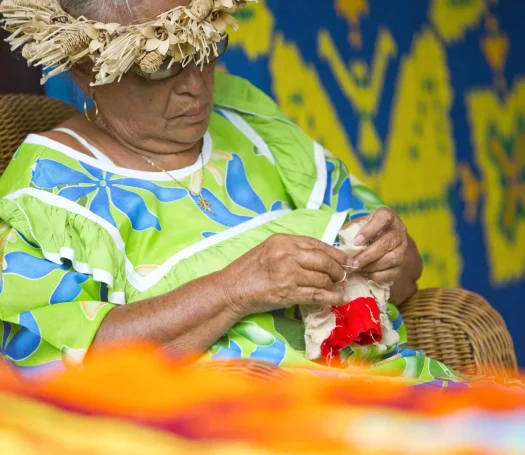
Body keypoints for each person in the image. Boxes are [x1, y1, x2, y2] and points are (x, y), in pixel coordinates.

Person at [0, 0, 456, 383]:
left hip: (386, 393)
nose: (196, 87)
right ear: (86, 69)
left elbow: (408, 276)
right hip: (234, 430)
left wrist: (387, 252)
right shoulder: (45, 189)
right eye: (162, 67)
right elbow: (55, 370)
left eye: (207, 49)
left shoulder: (247, 117)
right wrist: (236, 288)